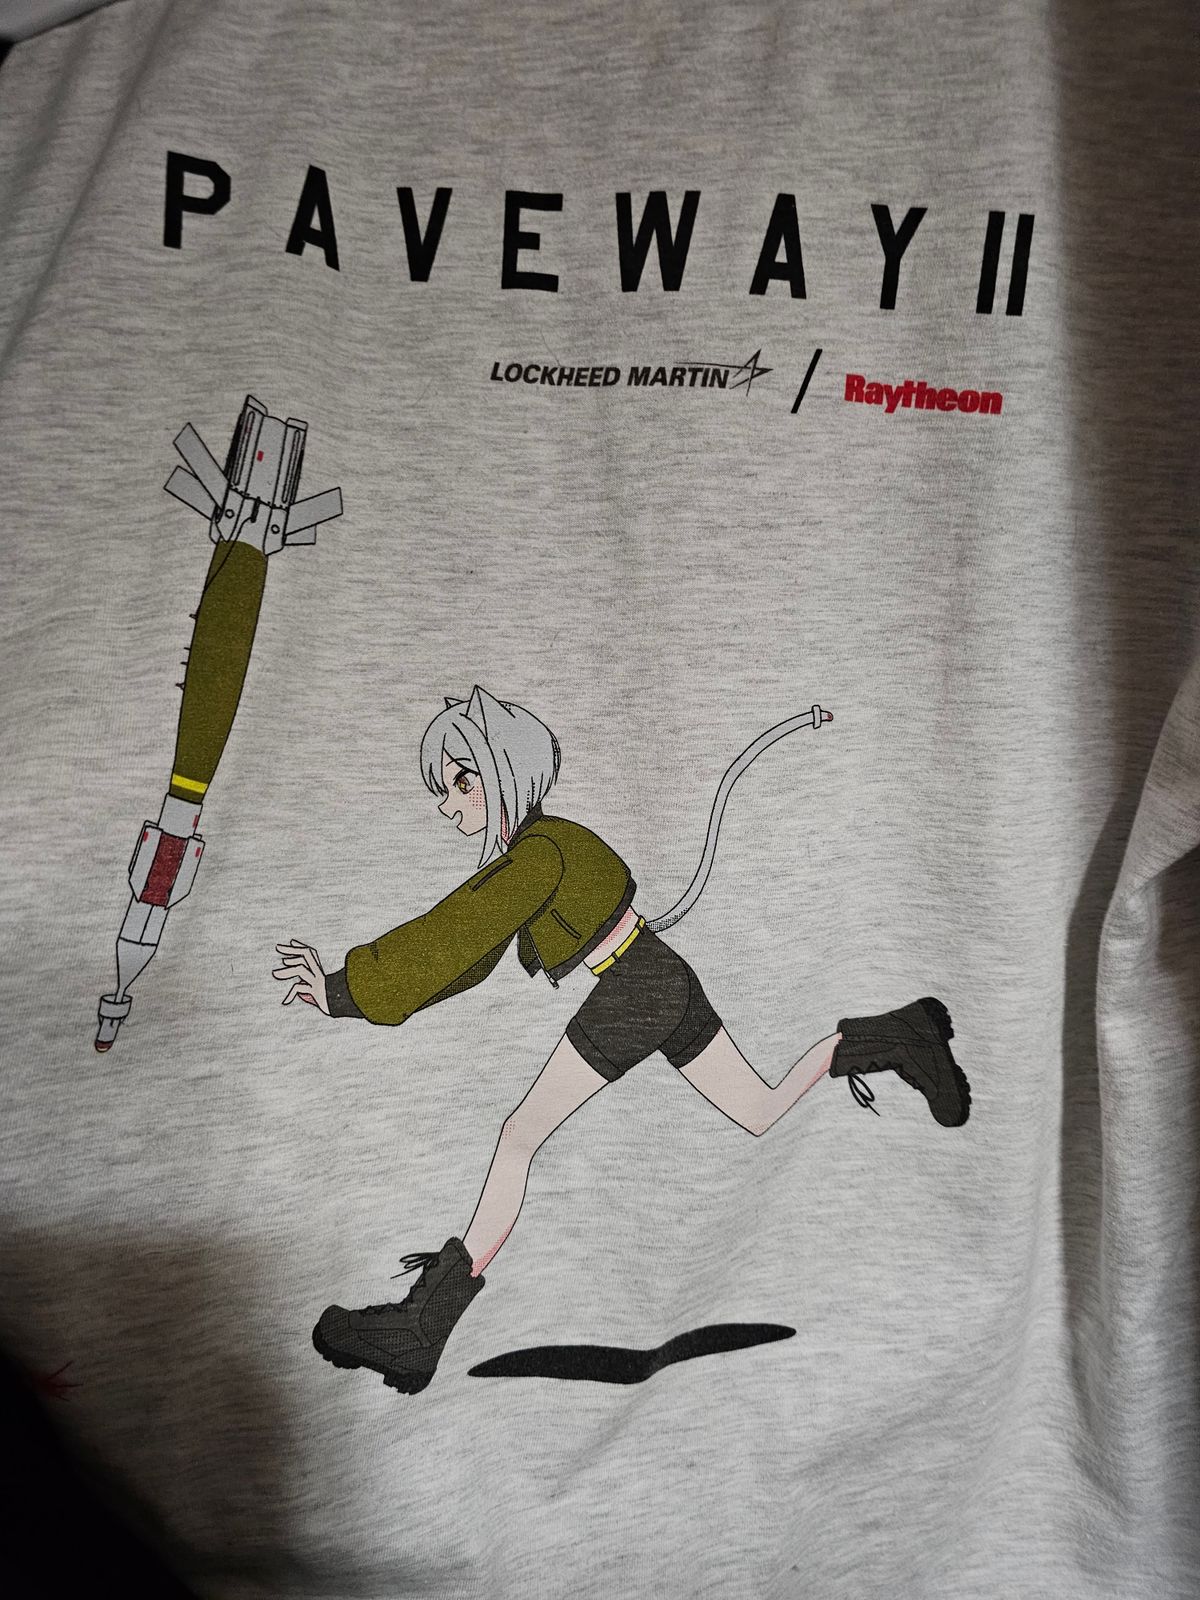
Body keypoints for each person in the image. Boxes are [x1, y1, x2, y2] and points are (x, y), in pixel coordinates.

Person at [273, 685, 970, 1394]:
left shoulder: (540, 854)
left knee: (519, 1136)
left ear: (503, 768)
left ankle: (421, 1328)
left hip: (639, 987)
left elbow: (457, 932)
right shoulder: (547, 845)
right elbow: (471, 952)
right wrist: (359, 994)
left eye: (461, 780)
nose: (450, 803)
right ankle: (898, 1035)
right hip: (662, 976)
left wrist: (344, 990)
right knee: (760, 1109)